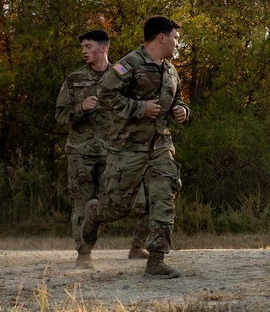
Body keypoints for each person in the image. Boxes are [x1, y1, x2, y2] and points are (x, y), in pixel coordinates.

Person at [81, 16, 190, 278]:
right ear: (161, 38)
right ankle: (94, 213)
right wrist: (140, 108)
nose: (177, 43)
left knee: (165, 194)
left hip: (161, 145)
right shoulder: (129, 64)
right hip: (128, 147)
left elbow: (179, 98)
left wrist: (183, 110)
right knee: (117, 206)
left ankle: (156, 261)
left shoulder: (171, 70)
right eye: (175, 37)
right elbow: (106, 96)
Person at [55, 29, 149, 269]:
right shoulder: (74, 80)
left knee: (138, 200)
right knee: (82, 203)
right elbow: (60, 116)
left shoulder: (122, 76)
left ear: (103, 48)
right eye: (83, 47)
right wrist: (81, 108)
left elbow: (135, 108)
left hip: (115, 152)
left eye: (88, 46)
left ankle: (138, 247)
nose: (84, 51)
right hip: (81, 152)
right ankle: (84, 255)